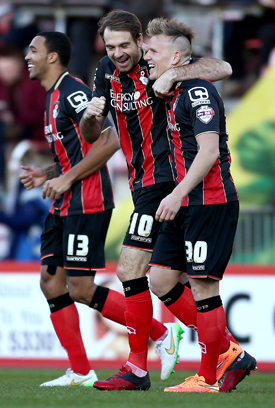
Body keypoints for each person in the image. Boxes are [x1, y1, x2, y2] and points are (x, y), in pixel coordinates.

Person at [79, 9, 241, 391]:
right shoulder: (106, 71)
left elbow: (222, 67)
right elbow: (92, 135)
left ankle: (139, 365)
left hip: (166, 181)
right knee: (162, 279)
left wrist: (175, 71)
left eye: (127, 46)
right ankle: (228, 349)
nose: (118, 53)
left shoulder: (159, 67)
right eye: (110, 46)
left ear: (141, 42)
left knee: (130, 268)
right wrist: (90, 116)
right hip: (142, 182)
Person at [21, 30, 184, 387]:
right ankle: (79, 370)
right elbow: (75, 153)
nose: (26, 56)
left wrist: (65, 180)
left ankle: (160, 333)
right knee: (51, 282)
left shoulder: (74, 92)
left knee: (79, 288)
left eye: (33, 50)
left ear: (52, 57)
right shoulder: (51, 97)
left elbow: (107, 141)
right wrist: (48, 173)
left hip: (87, 200)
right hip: (65, 201)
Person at [143, 17, 257, 393]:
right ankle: (227, 351)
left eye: (152, 52)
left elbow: (208, 152)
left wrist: (176, 194)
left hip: (209, 200)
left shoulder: (196, 92)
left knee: (204, 287)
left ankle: (208, 377)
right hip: (185, 199)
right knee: (160, 277)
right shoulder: (168, 89)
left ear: (175, 58)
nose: (146, 57)